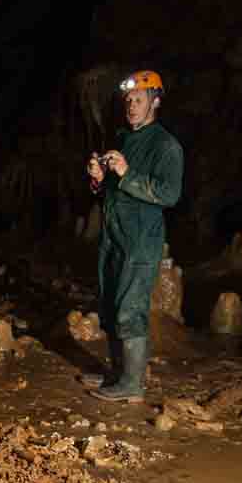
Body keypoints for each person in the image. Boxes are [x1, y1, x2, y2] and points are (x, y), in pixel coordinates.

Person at [83, 70, 184, 403]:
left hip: (141, 241)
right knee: (110, 306)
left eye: (138, 99)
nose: (131, 105)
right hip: (113, 237)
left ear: (154, 102)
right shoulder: (124, 138)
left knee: (130, 308)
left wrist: (126, 172)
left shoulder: (166, 145)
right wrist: (99, 179)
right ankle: (116, 372)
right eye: (128, 100)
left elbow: (169, 194)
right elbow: (113, 192)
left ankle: (132, 383)